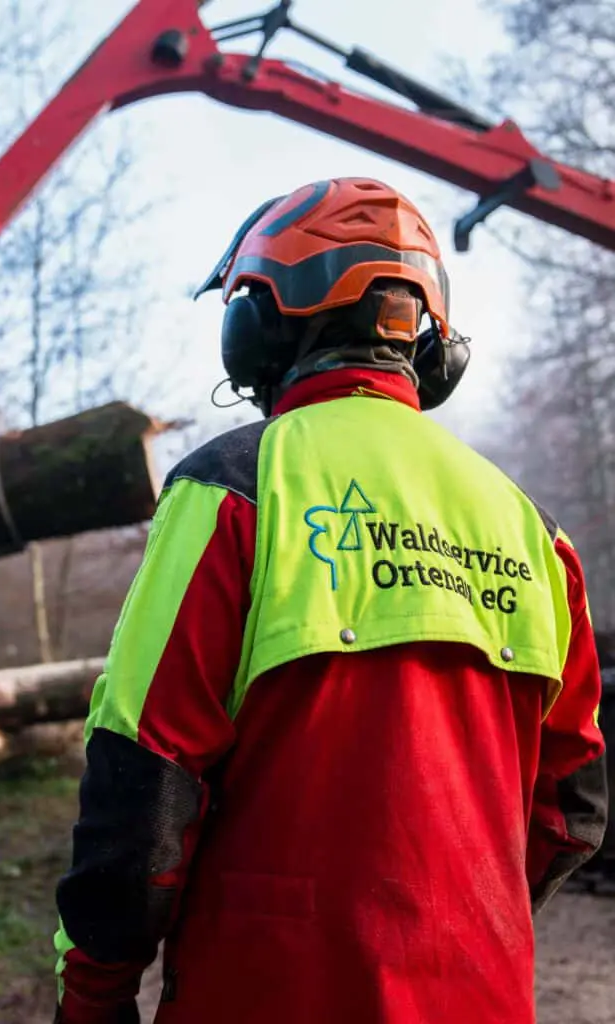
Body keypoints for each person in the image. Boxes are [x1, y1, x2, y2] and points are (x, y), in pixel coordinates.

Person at [52, 178, 607, 1024]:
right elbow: (572, 810)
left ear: (258, 329)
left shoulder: (233, 490)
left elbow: (142, 776)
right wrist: (453, 924)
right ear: (428, 345)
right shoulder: (535, 533)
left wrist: (94, 991)